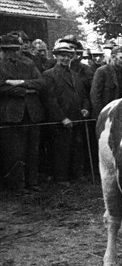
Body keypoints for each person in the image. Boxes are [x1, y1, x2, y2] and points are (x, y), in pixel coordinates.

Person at [0, 34, 49, 191]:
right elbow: (2, 88)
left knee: (32, 149)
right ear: (2, 50)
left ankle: (32, 182)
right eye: (8, 50)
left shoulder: (28, 63)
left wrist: (20, 82)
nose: (13, 53)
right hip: (12, 115)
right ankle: (17, 184)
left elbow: (41, 83)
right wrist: (26, 90)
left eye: (15, 49)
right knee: (14, 151)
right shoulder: (0, 65)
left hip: (32, 113)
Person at [42, 42, 91, 185]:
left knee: (77, 146)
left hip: (77, 118)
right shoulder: (49, 75)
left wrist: (85, 108)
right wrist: (62, 118)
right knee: (61, 149)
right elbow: (49, 100)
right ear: (56, 56)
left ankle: (77, 174)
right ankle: (61, 177)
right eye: (62, 56)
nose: (65, 59)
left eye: (68, 56)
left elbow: (84, 96)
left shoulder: (76, 76)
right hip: (60, 120)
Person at [90, 46, 122, 118]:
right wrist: (102, 115)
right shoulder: (102, 71)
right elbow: (95, 97)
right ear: (113, 57)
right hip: (105, 114)